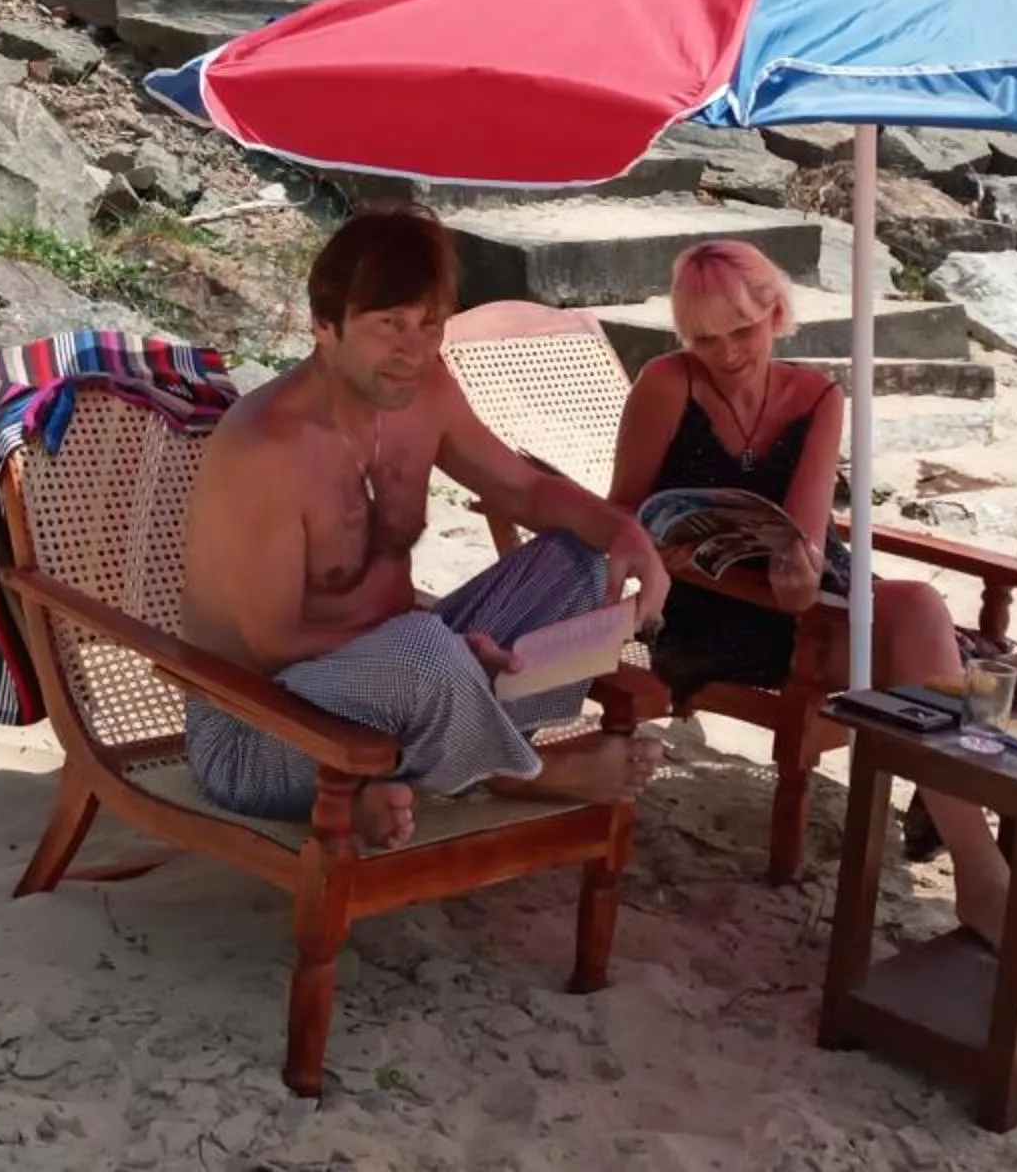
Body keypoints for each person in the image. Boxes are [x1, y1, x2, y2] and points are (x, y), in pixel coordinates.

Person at [606, 239, 1017, 997]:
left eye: (743, 330)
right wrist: (700, 555)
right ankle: (1011, 880)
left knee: (986, 697)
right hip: (708, 612)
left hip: (811, 608)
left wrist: (796, 572)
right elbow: (624, 514)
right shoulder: (668, 385)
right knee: (957, 670)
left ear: (778, 314)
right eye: (705, 337)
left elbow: (801, 542)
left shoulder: (818, 398)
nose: (727, 352)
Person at [182, 204, 670, 850]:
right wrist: (453, 652)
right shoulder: (266, 447)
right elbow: (275, 645)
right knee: (424, 651)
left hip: (407, 677)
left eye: (430, 325)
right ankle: (521, 772)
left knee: (580, 558)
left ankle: (394, 780)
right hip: (261, 728)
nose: (414, 351)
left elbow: (522, 488)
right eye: (390, 326)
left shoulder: (424, 392)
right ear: (324, 325)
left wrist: (624, 535)